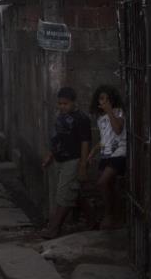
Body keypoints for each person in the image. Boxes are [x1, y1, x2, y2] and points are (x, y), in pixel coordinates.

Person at [41, 87, 92, 239]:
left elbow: (85, 142)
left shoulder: (81, 118)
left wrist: (83, 165)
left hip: (73, 160)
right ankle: (93, 219)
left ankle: (54, 229)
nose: (62, 106)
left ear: (73, 103)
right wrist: (50, 155)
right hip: (60, 160)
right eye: (60, 104)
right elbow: (58, 138)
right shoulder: (61, 117)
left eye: (65, 104)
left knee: (64, 195)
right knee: (71, 192)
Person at [88, 85, 126, 229]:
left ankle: (109, 215)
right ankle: (117, 217)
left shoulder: (119, 112)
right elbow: (104, 140)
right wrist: (93, 152)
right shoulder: (101, 119)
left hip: (118, 154)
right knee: (111, 186)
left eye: (107, 99)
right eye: (102, 99)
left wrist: (110, 111)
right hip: (106, 155)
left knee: (102, 183)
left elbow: (117, 130)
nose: (104, 102)